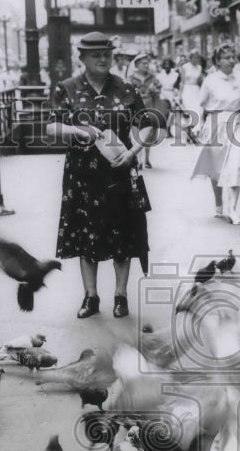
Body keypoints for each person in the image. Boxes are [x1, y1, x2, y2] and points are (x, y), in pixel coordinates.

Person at [45, 32, 157, 320]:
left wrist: (134, 151)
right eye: (96, 55)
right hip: (82, 176)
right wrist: (76, 130)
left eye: (106, 54)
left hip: (119, 170)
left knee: (123, 236)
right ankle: (91, 296)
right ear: (82, 58)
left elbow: (147, 125)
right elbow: (51, 128)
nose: (103, 59)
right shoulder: (67, 88)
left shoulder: (126, 89)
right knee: (86, 236)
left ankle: (120, 296)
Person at [191, 44, 240, 225]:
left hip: (237, 123)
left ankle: (232, 209)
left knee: (236, 165)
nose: (231, 60)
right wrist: (197, 125)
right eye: (226, 57)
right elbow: (201, 104)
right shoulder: (210, 80)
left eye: (233, 57)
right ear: (217, 61)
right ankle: (219, 203)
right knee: (216, 168)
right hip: (216, 123)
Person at [127, 53, 164, 169]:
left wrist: (154, 91)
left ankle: (147, 159)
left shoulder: (152, 78)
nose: (146, 66)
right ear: (137, 65)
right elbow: (126, 92)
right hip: (136, 106)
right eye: (143, 63)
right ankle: (138, 159)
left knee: (149, 133)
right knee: (136, 132)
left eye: (147, 63)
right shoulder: (131, 78)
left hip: (149, 105)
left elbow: (159, 89)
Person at [179, 52, 205, 136]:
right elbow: (182, 82)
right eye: (195, 58)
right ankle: (188, 132)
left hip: (196, 90)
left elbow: (200, 81)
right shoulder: (185, 67)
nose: (197, 60)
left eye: (198, 58)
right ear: (190, 58)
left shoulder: (199, 67)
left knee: (198, 110)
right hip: (187, 90)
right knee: (189, 111)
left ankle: (196, 131)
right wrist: (180, 95)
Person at [155, 58, 181, 138]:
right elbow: (157, 85)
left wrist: (176, 95)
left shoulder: (175, 74)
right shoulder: (160, 74)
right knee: (163, 112)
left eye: (169, 64)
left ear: (171, 65)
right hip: (162, 93)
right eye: (165, 64)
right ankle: (163, 131)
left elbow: (177, 86)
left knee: (171, 113)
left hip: (171, 93)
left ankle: (169, 130)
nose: (167, 66)